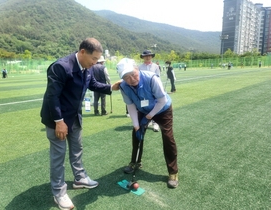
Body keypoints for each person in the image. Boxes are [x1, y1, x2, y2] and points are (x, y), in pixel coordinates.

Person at [40, 38, 121, 210]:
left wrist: (110, 87)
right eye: (94, 59)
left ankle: (80, 178)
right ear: (82, 52)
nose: (95, 63)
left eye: (97, 60)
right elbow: (51, 97)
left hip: (75, 117)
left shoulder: (87, 68)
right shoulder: (61, 67)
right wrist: (58, 122)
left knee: (77, 150)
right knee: (58, 157)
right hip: (58, 119)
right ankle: (59, 192)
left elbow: (92, 84)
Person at [116, 58, 178, 188]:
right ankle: (135, 162)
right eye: (126, 77)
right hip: (142, 109)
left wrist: (149, 117)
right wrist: (137, 125)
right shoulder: (123, 87)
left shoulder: (151, 78)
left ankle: (173, 172)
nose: (131, 79)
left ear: (138, 69)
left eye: (133, 74)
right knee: (136, 133)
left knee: (167, 136)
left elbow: (161, 100)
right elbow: (131, 106)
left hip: (162, 109)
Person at [139, 50, 160, 132]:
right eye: (146, 56)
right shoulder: (140, 67)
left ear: (151, 57)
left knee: (155, 105)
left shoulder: (155, 66)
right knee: (145, 106)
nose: (147, 57)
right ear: (143, 57)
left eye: (149, 56)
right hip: (144, 90)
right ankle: (148, 121)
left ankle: (156, 123)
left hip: (154, 89)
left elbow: (158, 77)